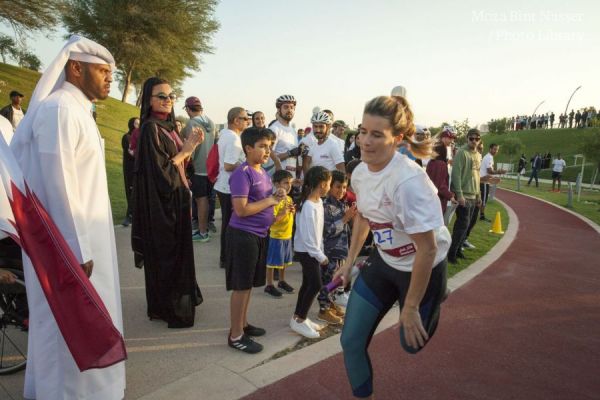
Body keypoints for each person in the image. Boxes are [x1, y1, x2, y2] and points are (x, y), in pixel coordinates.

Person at [10, 35, 125, 400]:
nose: (110, 79)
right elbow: (58, 182)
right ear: (75, 68)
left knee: (87, 320)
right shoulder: (59, 109)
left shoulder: (77, 109)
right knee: (66, 327)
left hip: (85, 241)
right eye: (103, 71)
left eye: (112, 73)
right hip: (68, 247)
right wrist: (76, 248)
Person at [334, 95, 449, 399]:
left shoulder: (409, 183)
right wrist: (349, 261)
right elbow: (364, 217)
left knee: (411, 345)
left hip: (422, 265)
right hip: (385, 263)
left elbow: (427, 250)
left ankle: (437, 293)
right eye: (362, 131)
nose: (365, 142)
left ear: (397, 139)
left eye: (376, 134)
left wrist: (409, 308)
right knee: (350, 341)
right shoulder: (359, 172)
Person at [131, 77, 204, 328]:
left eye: (171, 96)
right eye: (161, 96)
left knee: (178, 256)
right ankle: (167, 308)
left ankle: (174, 302)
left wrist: (189, 149)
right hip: (163, 207)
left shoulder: (169, 127)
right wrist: (186, 149)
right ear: (149, 101)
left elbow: (182, 165)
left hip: (179, 200)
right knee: (167, 256)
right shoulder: (150, 129)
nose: (168, 100)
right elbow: (161, 173)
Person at [226, 127, 286, 354]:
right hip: (243, 235)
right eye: (262, 146)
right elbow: (241, 210)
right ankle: (235, 335)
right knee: (241, 287)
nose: (267, 151)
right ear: (248, 148)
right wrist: (271, 200)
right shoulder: (243, 173)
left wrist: (276, 195)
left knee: (249, 284)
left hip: (258, 235)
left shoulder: (261, 171)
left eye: (269, 146)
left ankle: (242, 324)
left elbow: (263, 198)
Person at [290, 166, 332, 339]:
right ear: (322, 184)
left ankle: (299, 317)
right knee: (315, 284)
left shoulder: (318, 202)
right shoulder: (308, 206)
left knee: (308, 283)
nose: (329, 187)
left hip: (313, 251)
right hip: (307, 252)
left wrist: (319, 250)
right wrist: (320, 256)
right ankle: (300, 320)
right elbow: (307, 238)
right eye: (329, 184)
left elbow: (317, 232)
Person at [317, 170, 356, 325]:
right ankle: (323, 309)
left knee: (335, 280)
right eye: (338, 187)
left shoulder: (341, 204)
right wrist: (346, 218)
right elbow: (328, 230)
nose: (341, 191)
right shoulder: (325, 206)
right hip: (329, 252)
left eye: (345, 187)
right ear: (329, 186)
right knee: (326, 281)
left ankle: (331, 304)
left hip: (340, 251)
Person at [214, 107, 248, 268]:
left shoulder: (225, 134)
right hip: (229, 187)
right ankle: (227, 258)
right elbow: (228, 165)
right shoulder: (234, 139)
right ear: (236, 120)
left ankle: (225, 257)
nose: (247, 121)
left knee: (228, 223)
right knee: (230, 224)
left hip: (224, 185)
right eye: (245, 118)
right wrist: (245, 166)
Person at [183, 96, 216, 243]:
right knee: (207, 200)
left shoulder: (191, 123)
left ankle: (203, 233)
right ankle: (204, 229)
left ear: (188, 109)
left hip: (198, 168)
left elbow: (192, 149)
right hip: (210, 168)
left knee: (201, 200)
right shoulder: (211, 122)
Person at [447, 128, 482, 263]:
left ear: (479, 140)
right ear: (467, 139)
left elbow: (477, 176)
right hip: (464, 196)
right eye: (471, 138)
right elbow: (456, 175)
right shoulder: (462, 153)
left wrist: (478, 195)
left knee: (467, 226)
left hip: (474, 196)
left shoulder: (478, 155)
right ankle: (451, 254)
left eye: (477, 139)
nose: (474, 141)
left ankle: (458, 250)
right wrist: (460, 195)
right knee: (461, 226)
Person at [264, 169, 296, 297]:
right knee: (271, 262)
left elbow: (289, 213)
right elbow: (272, 220)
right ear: (276, 184)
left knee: (283, 261)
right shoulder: (274, 200)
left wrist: (292, 211)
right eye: (285, 183)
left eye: (290, 183)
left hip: (287, 235)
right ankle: (269, 284)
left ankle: (282, 281)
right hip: (276, 236)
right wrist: (283, 214)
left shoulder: (288, 198)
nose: (289, 186)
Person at [270, 95, 302, 177]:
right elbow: (268, 156)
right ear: (278, 109)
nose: (289, 110)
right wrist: (289, 153)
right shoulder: (274, 129)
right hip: (277, 179)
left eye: (292, 107)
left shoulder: (292, 130)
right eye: (286, 107)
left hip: (290, 178)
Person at [479, 143, 506, 222]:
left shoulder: (489, 157)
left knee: (483, 199)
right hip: (483, 181)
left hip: (485, 180)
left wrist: (495, 177)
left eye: (497, 149)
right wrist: (499, 172)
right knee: (483, 199)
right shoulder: (489, 157)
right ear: (490, 149)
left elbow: (489, 172)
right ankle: (482, 216)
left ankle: (481, 214)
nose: (496, 151)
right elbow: (489, 171)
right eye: (494, 149)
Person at [426, 143, 455, 214]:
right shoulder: (441, 164)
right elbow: (441, 185)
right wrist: (450, 196)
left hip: (429, 197)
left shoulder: (430, 163)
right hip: (438, 200)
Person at [121, 117, 139, 227]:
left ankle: (133, 214)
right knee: (131, 190)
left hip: (138, 167)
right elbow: (130, 152)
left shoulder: (139, 136)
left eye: (139, 123)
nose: (137, 125)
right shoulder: (126, 137)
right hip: (130, 168)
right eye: (136, 123)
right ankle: (129, 215)